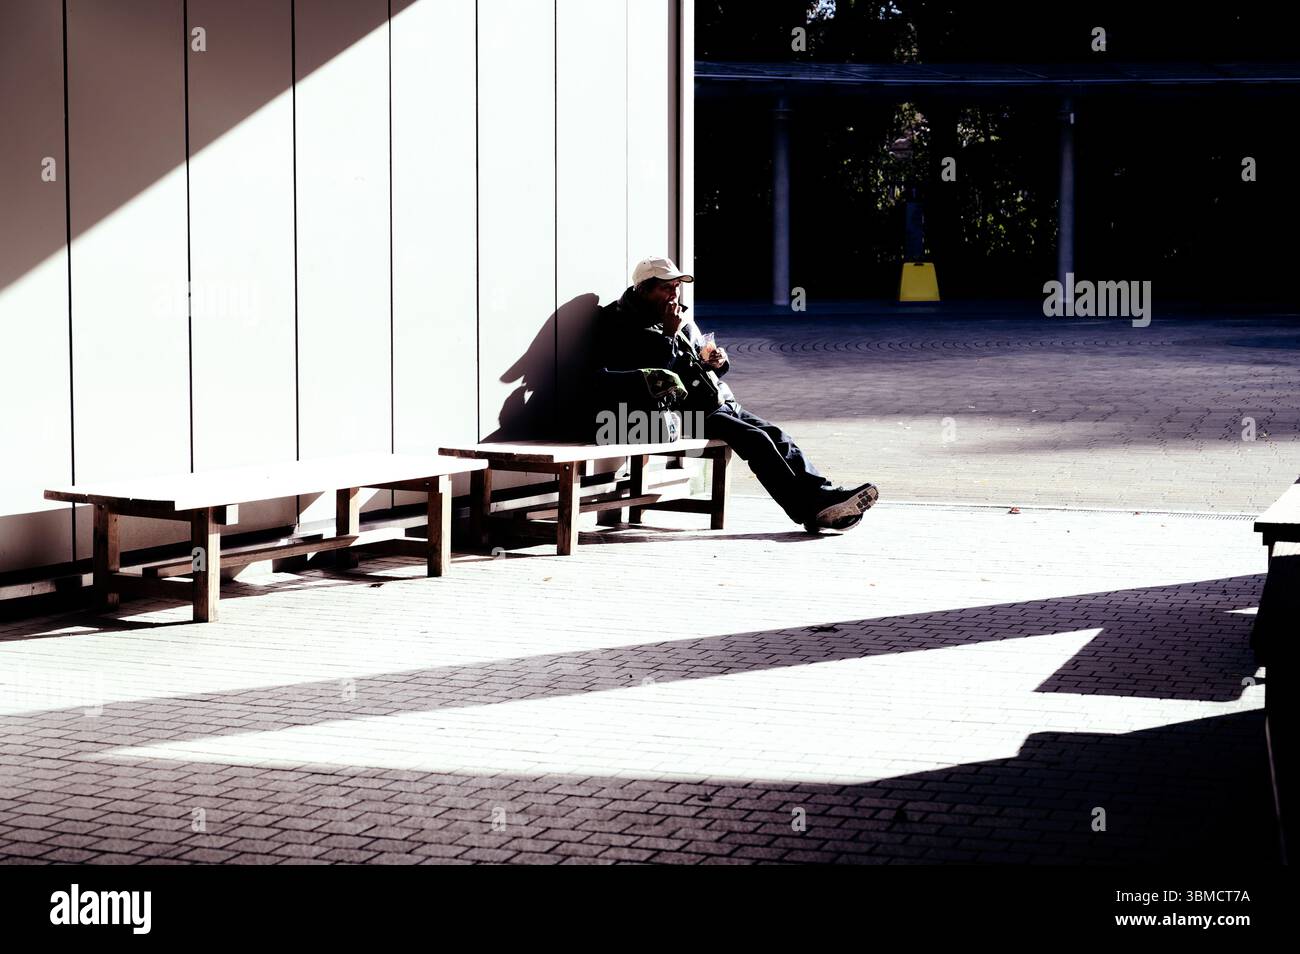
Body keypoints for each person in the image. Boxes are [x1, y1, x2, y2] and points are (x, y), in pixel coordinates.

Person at [590, 256, 878, 532]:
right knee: (757, 441)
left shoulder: (679, 318)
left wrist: (718, 361)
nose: (673, 295)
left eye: (676, 287)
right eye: (666, 287)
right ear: (643, 289)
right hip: (681, 412)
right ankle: (810, 511)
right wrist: (668, 335)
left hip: (716, 400)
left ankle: (823, 495)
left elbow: (701, 360)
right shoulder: (622, 323)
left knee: (778, 436)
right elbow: (654, 376)